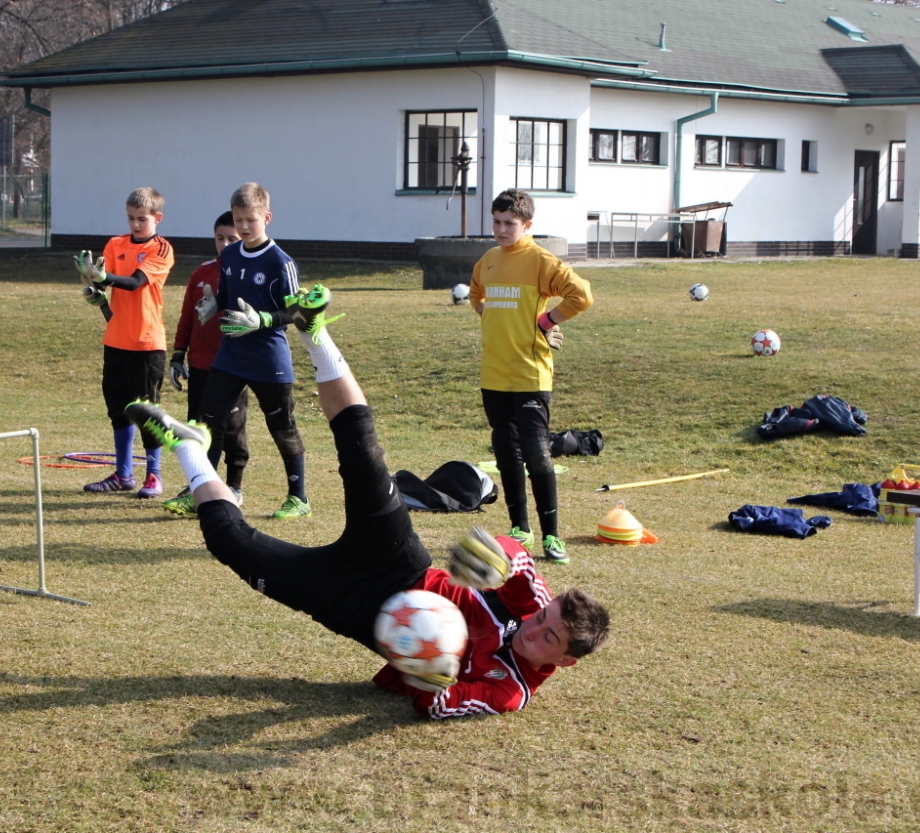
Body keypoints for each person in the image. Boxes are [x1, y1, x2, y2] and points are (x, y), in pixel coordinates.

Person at [126, 287, 609, 719]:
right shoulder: (537, 606)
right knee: (362, 455)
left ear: (564, 660)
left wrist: (432, 668)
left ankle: (188, 446)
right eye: (541, 620)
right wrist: (501, 556)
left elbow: (439, 704)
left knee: (231, 543)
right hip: (401, 563)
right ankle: (315, 330)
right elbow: (520, 563)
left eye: (547, 637)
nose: (533, 628)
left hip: (357, 609)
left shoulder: (512, 690)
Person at [469, 188, 593, 564]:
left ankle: (552, 537)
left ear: (527, 225)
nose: (502, 230)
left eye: (510, 223)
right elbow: (477, 295)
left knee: (538, 456)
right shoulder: (488, 260)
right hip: (493, 373)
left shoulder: (540, 260)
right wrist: (491, 316)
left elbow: (581, 295)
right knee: (506, 453)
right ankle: (519, 528)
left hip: (530, 374)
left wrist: (546, 319)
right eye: (496, 222)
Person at [197, 182, 310, 519]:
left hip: (268, 359)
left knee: (282, 426)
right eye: (238, 219)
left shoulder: (280, 261)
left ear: (267, 217)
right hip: (231, 355)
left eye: (250, 219)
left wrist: (261, 319)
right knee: (209, 421)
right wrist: (213, 304)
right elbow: (227, 296)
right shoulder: (229, 255)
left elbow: (297, 313)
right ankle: (202, 491)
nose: (243, 227)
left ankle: (298, 498)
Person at [75, 186, 175, 498]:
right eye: (130, 218)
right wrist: (97, 295)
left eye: (141, 219)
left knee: (146, 414)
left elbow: (134, 283)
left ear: (157, 218)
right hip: (116, 341)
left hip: (147, 344)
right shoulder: (115, 244)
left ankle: (154, 476)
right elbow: (106, 286)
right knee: (118, 410)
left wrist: (104, 279)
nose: (134, 225)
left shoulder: (162, 249)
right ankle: (122, 475)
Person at [162, 211, 250, 515]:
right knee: (197, 426)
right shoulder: (201, 273)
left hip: (233, 365)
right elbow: (187, 317)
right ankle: (197, 487)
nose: (225, 244)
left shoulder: (245, 274)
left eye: (232, 239)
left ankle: (234, 487)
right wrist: (177, 355)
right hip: (200, 365)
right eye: (220, 238)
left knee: (232, 429)